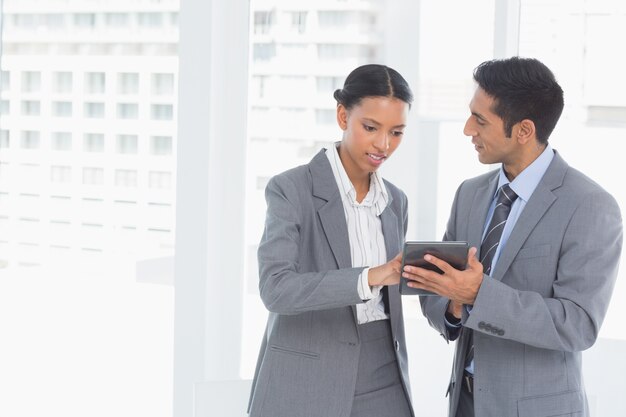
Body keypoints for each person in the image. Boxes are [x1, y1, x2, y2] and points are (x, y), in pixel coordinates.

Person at [403, 57, 623, 417]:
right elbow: (439, 294)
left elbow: (578, 325)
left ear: (523, 130)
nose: (466, 130)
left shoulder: (590, 206)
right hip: (465, 403)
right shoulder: (469, 194)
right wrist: (455, 305)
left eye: (480, 120)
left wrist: (477, 293)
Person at [246, 64, 415, 417]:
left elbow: (396, 288)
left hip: (385, 376)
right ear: (342, 115)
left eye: (396, 132)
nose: (383, 145)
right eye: (371, 127)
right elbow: (275, 289)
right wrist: (370, 276)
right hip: (309, 377)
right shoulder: (291, 189)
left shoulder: (395, 201)